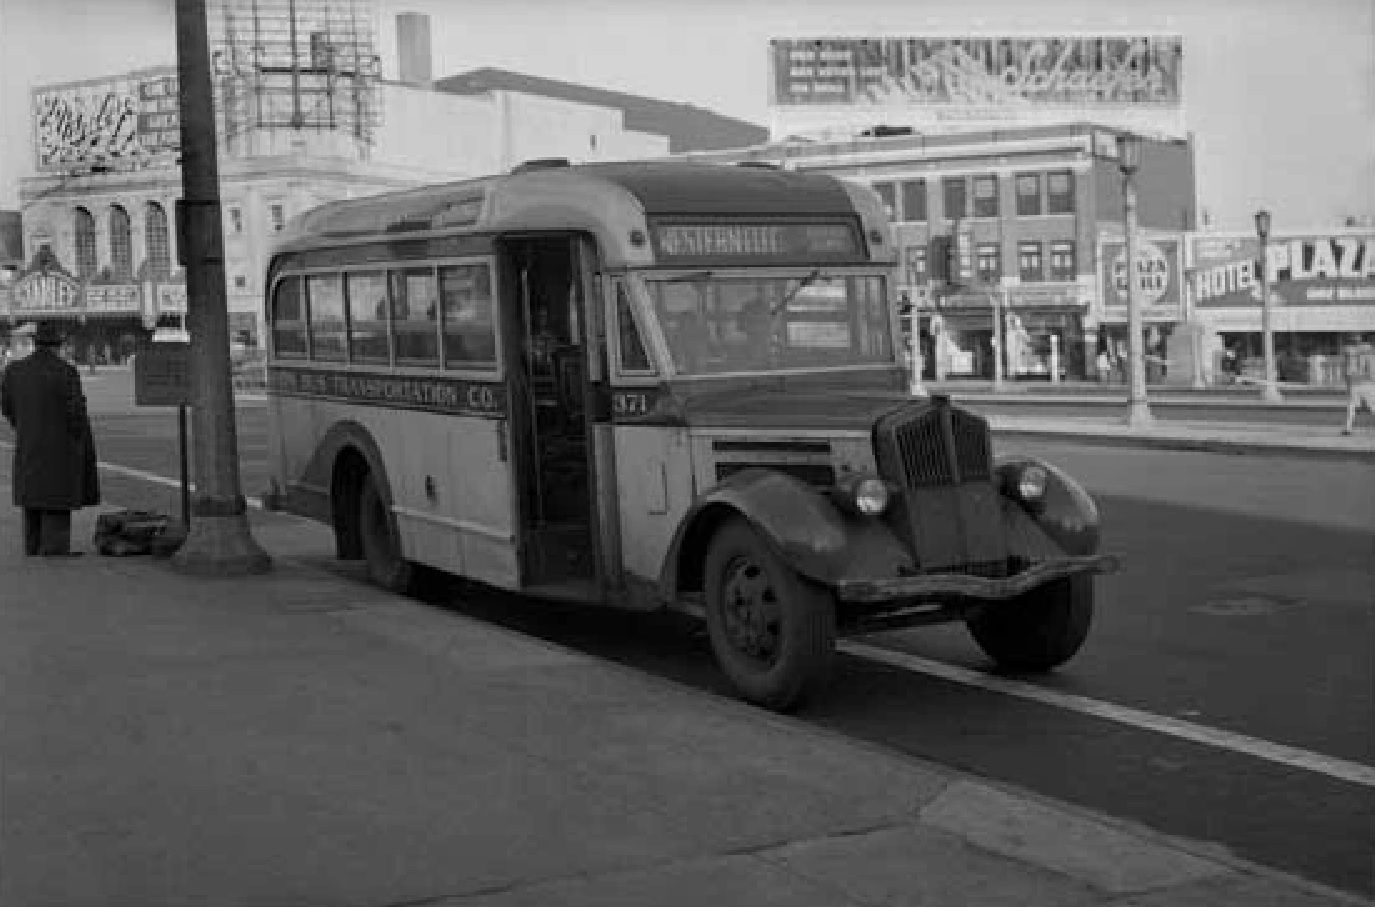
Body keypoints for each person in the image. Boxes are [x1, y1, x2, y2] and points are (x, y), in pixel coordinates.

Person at [0, 321, 100, 556]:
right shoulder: (66, 371)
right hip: (60, 447)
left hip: (29, 442)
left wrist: (23, 424)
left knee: (33, 500)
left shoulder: (15, 371)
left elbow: (6, 406)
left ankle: (33, 547)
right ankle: (53, 551)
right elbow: (76, 412)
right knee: (56, 500)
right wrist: (77, 438)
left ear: (35, 344)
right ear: (58, 346)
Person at [1340, 335, 1375, 436]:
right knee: (1356, 406)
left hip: (1359, 382)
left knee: (1353, 406)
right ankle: (1348, 428)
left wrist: (1347, 382)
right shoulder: (1367, 349)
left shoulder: (1349, 350)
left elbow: (1346, 369)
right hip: (1361, 382)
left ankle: (1348, 428)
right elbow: (1371, 366)